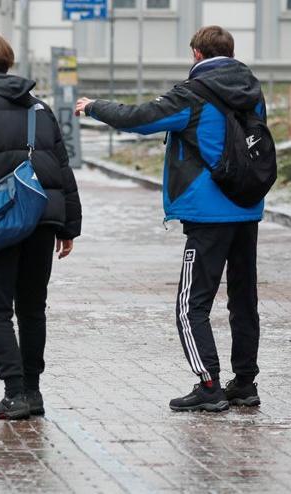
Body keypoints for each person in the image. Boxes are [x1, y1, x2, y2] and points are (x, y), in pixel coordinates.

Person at [75, 25, 267, 413]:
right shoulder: (252, 90)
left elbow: (140, 117)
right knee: (243, 299)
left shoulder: (193, 94)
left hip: (207, 212)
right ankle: (244, 383)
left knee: (190, 303)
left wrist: (93, 106)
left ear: (196, 54)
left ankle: (209, 384)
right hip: (247, 208)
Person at [0, 33, 81, 421]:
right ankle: (33, 392)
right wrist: (68, 225)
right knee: (32, 308)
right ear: (9, 63)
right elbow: (62, 167)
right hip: (42, 219)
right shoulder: (41, 108)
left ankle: (15, 392)